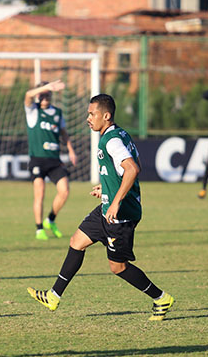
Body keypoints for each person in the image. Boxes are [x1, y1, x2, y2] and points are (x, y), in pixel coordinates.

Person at [27, 94, 175, 320]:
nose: (88, 118)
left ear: (106, 116)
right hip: (108, 207)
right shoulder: (118, 134)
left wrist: (115, 201)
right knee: (76, 242)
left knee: (118, 268)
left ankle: (161, 298)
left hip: (120, 215)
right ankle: (54, 295)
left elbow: (133, 169)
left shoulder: (112, 140)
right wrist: (107, 189)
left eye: (92, 114)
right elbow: (125, 168)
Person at [24, 80, 77, 240]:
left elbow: (63, 132)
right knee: (40, 194)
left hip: (54, 160)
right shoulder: (33, 112)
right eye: (42, 94)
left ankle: (50, 219)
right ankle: (39, 228)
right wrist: (44, 87)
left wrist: (70, 149)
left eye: (48, 94)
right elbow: (27, 95)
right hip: (37, 160)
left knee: (64, 191)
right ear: (38, 95)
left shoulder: (57, 113)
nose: (45, 97)